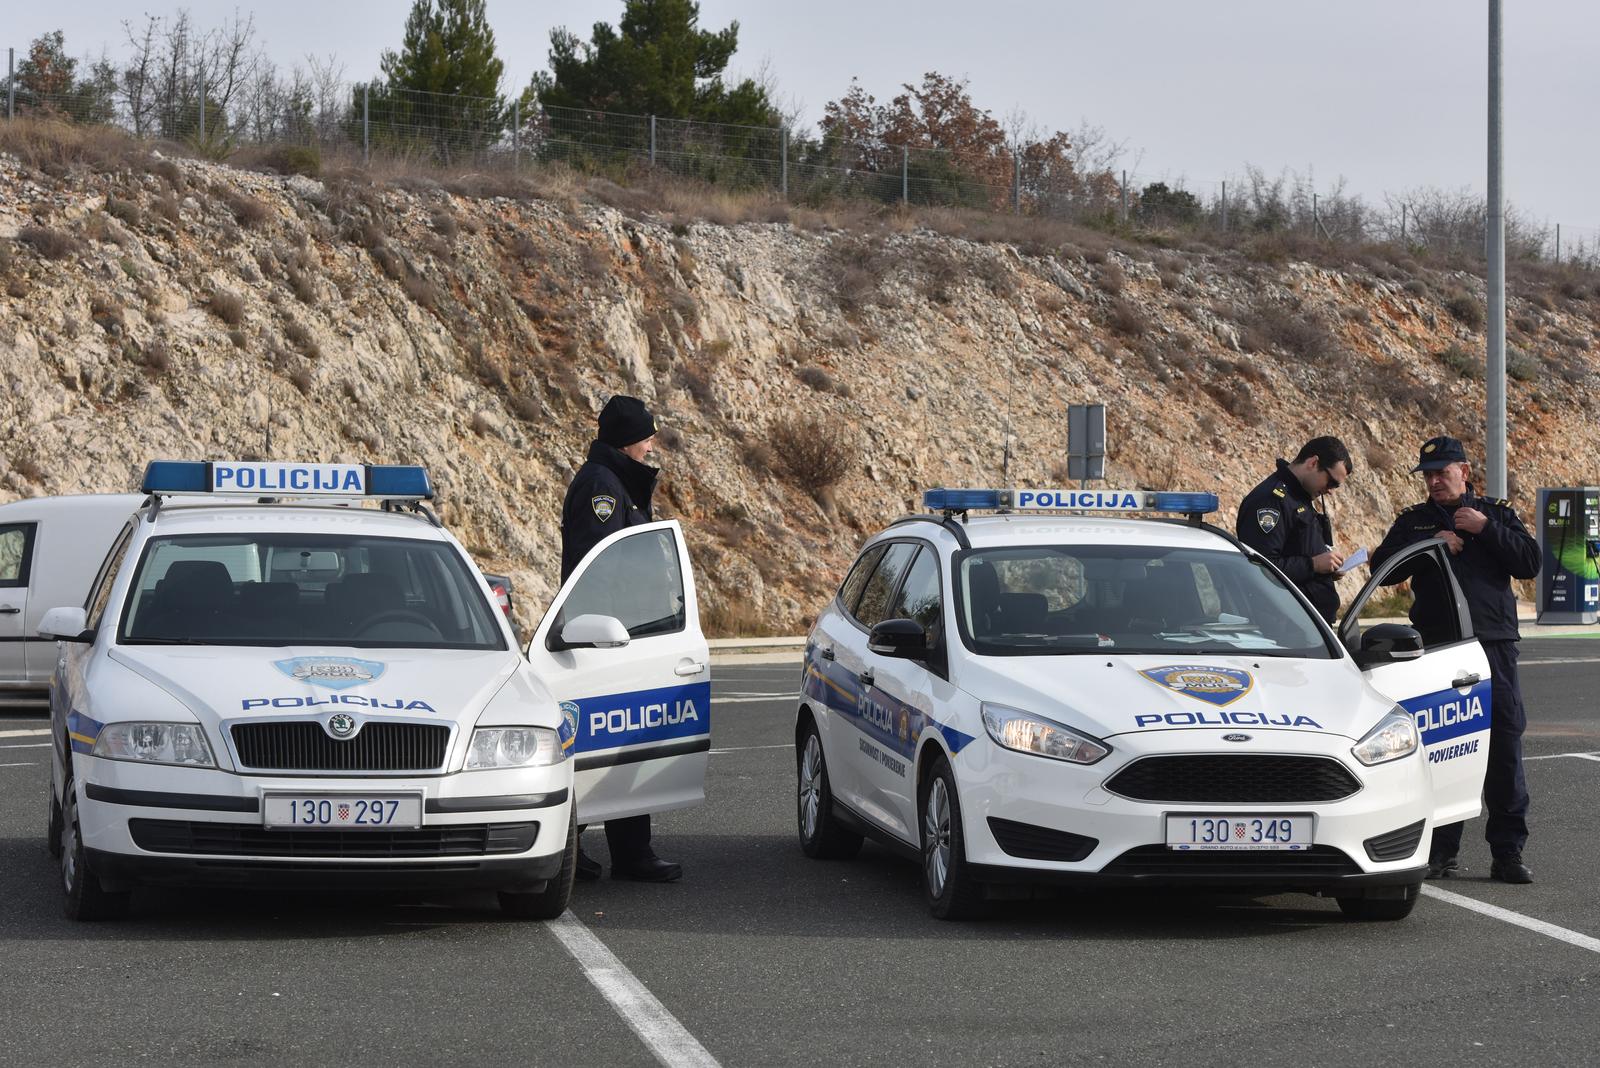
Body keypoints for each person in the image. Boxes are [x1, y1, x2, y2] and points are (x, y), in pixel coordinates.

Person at [1371, 435, 1540, 884]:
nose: (1434, 481)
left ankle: (1508, 852)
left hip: (1493, 646)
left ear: (1464, 472)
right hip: (1436, 650)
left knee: (1503, 747)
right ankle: (1440, 851)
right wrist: (1432, 545)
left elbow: (1530, 562)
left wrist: (1486, 529)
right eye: (1428, 475)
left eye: (1442, 473)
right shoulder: (1416, 521)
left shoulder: (1496, 513)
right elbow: (1382, 568)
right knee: (1442, 748)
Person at [560, 394, 682, 883]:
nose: (651, 445)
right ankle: (590, 850)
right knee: (600, 744)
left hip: (621, 634)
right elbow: (600, 569)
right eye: (646, 436)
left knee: (625, 743)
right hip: (606, 638)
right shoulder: (601, 488)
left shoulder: (616, 482)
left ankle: (632, 851)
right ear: (629, 440)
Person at [1236, 436, 1353, 623]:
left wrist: (1327, 567)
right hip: (1286, 627)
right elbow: (1262, 569)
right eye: (1331, 482)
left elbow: (1298, 550)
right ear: (1313, 463)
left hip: (1309, 624)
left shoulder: (1300, 497)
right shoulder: (1271, 501)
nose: (1330, 491)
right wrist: (1314, 565)